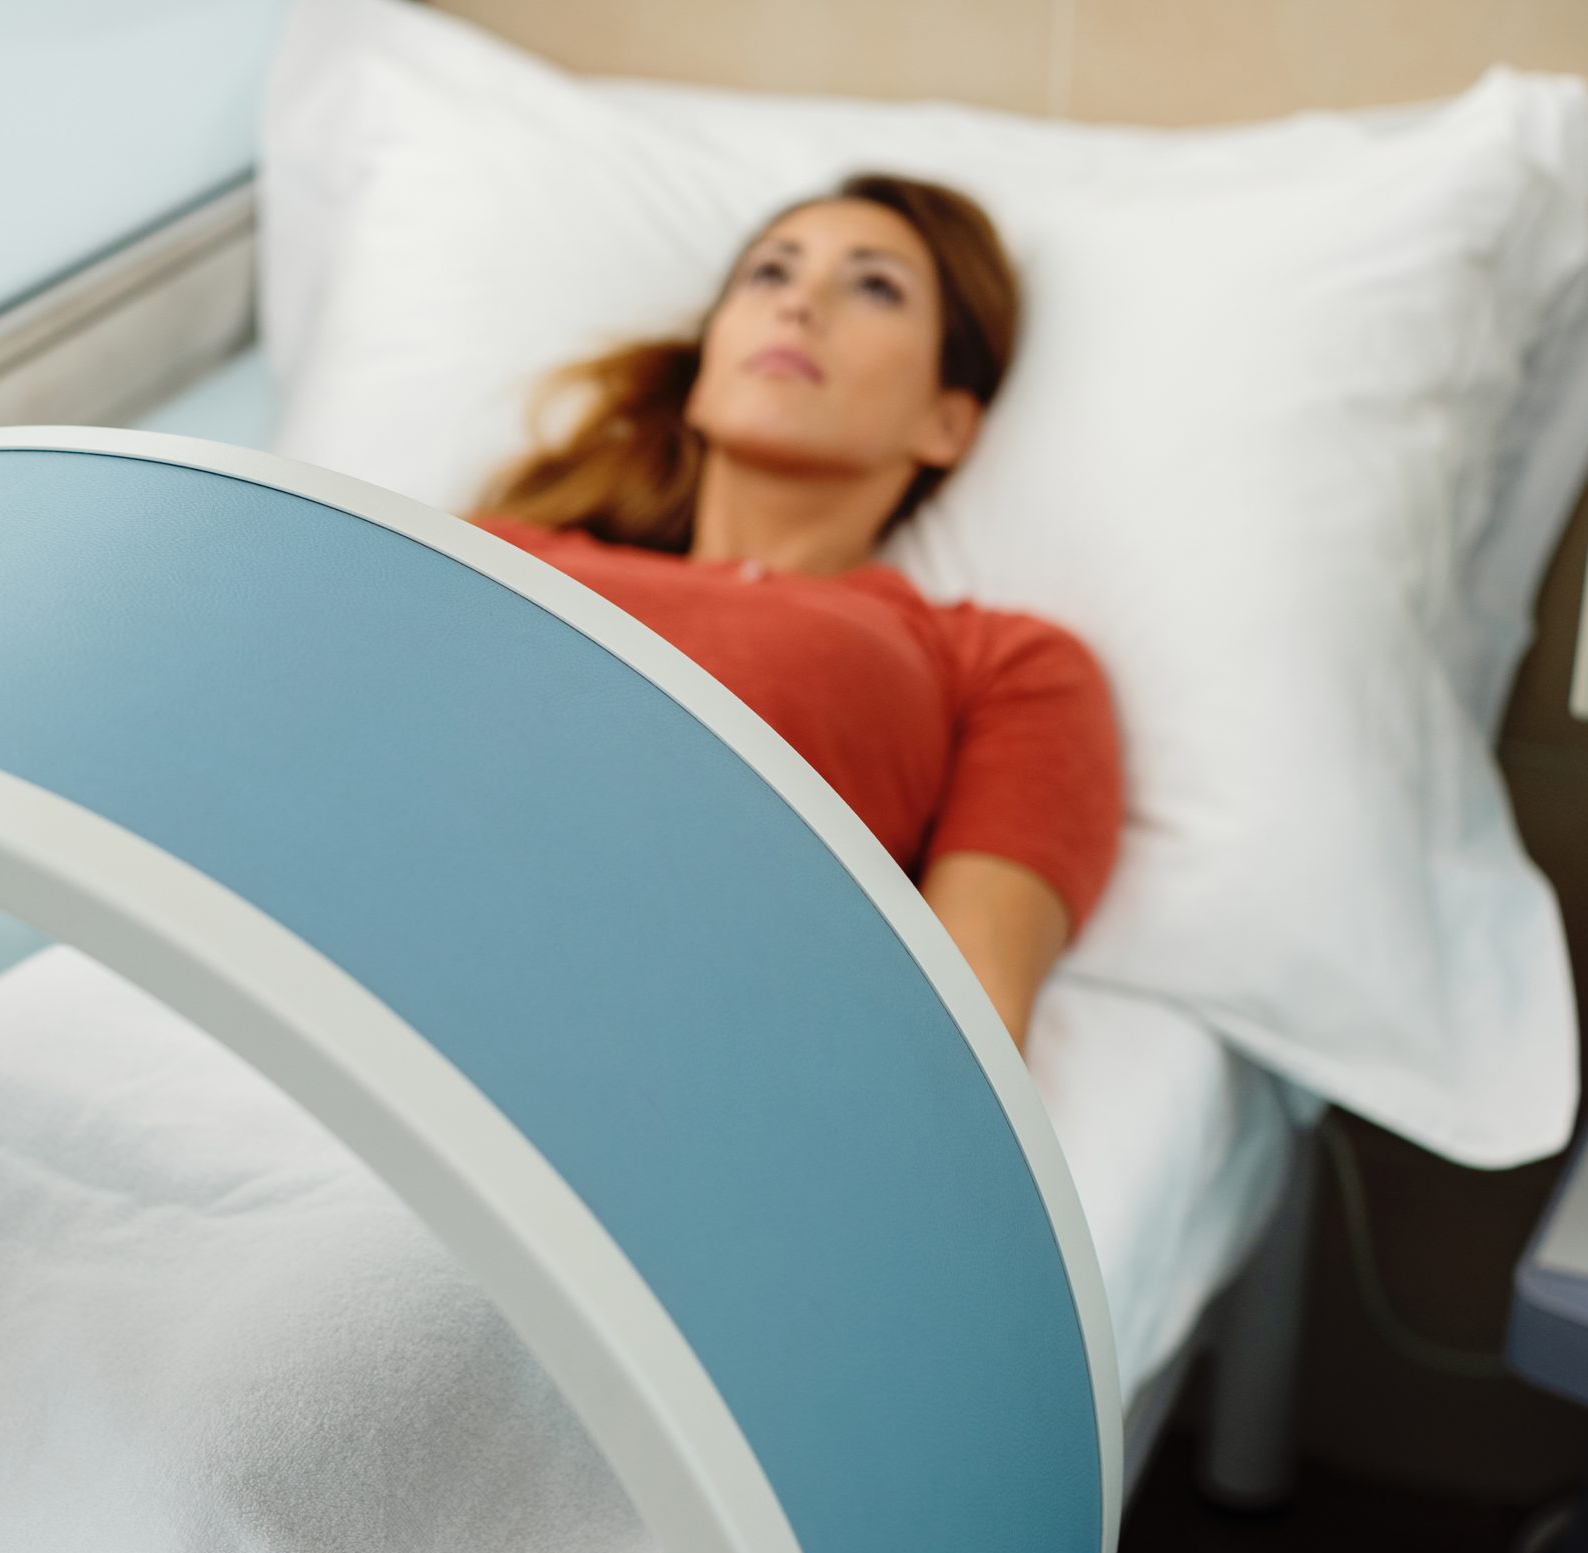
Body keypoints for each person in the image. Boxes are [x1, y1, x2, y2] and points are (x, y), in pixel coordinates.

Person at [474, 173, 1119, 1047]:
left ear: (948, 423)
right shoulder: (498, 556)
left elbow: (968, 1045)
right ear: (704, 373)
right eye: (770, 274)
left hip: (644, 1057)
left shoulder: (996, 662)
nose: (800, 305)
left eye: (875, 287)